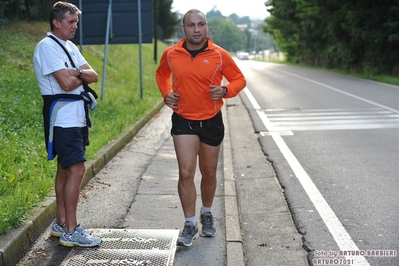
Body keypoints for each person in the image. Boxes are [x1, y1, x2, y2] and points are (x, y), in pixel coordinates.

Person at [155, 9, 246, 247]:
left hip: (211, 119)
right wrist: (167, 94)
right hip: (183, 119)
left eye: (201, 24)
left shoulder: (219, 54)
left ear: (206, 27)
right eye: (191, 25)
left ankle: (207, 213)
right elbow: (161, 75)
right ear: (183, 28)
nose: (196, 29)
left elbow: (239, 79)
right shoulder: (171, 54)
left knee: (209, 173)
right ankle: (189, 223)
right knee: (186, 172)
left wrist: (226, 90)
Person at [33, 1, 101, 247]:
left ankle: (60, 224)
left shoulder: (69, 46)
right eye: (70, 22)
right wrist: (78, 74)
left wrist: (75, 73)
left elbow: (94, 75)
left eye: (76, 22)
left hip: (76, 117)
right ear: (56, 22)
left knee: (65, 168)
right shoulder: (47, 46)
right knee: (76, 169)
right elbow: (64, 83)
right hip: (62, 118)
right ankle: (71, 230)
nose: (75, 26)